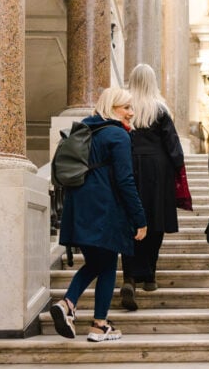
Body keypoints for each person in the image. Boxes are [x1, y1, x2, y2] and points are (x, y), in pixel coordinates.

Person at [51, 87, 148, 342]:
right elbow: (125, 180)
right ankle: (74, 308)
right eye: (126, 107)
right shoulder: (117, 135)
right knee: (103, 262)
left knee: (101, 263)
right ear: (112, 107)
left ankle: (96, 322)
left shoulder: (85, 130)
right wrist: (139, 217)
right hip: (104, 208)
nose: (131, 112)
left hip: (78, 207)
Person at [120, 64, 186, 311]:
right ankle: (150, 275)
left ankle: (129, 277)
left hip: (130, 167)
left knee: (131, 221)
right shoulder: (159, 108)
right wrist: (177, 167)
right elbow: (174, 147)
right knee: (155, 222)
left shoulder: (126, 108)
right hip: (158, 171)